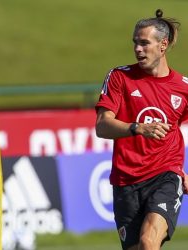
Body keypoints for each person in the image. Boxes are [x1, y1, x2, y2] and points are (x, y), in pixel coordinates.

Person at [95, 9, 188, 250]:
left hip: (165, 174)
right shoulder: (119, 77)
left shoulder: (183, 88)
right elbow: (102, 126)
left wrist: (181, 172)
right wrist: (137, 128)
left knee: (149, 241)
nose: (138, 49)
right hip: (126, 181)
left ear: (163, 45)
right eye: (135, 43)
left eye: (144, 43)